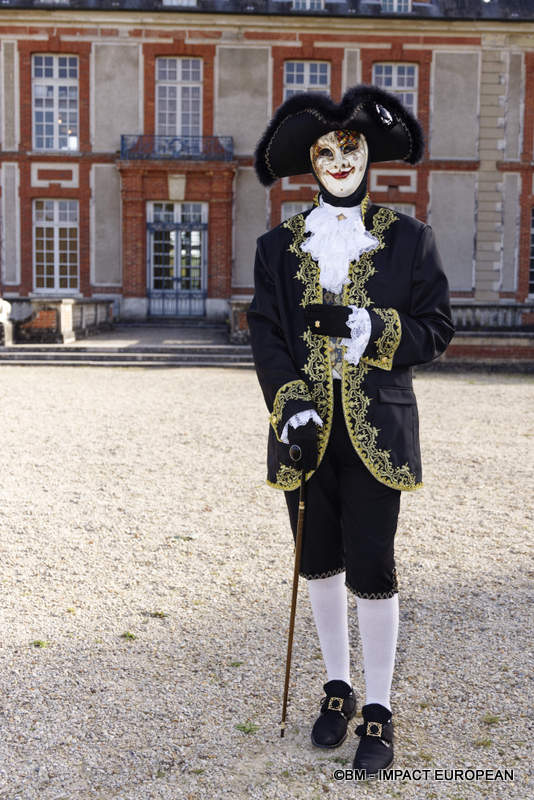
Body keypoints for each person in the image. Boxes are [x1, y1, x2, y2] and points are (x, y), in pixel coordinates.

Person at [247, 85, 454, 776]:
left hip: (377, 433)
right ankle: (337, 688)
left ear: (369, 155)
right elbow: (266, 334)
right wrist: (292, 405)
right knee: (318, 563)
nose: (339, 160)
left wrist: (370, 329)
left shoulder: (409, 239)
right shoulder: (277, 247)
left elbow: (436, 329)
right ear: (310, 162)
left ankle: (380, 708)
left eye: (351, 147)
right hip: (305, 433)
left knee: (373, 567)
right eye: (325, 151)